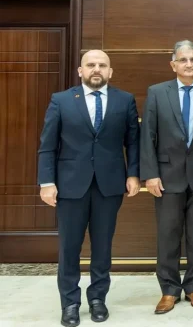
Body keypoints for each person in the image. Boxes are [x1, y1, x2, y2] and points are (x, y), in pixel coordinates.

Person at [37, 50, 140, 327]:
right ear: (80, 71)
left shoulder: (125, 100)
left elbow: (133, 141)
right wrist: (47, 182)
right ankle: (69, 303)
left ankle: (98, 299)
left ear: (110, 71)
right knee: (69, 247)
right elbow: (48, 145)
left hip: (110, 184)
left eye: (102, 65)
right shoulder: (61, 100)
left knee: (103, 246)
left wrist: (133, 174)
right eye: (91, 64)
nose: (97, 69)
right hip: (70, 186)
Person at [140, 40, 193, 314]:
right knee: (168, 235)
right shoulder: (157, 93)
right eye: (183, 59)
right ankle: (169, 290)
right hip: (166, 177)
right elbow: (147, 136)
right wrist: (150, 174)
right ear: (173, 65)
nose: (188, 64)